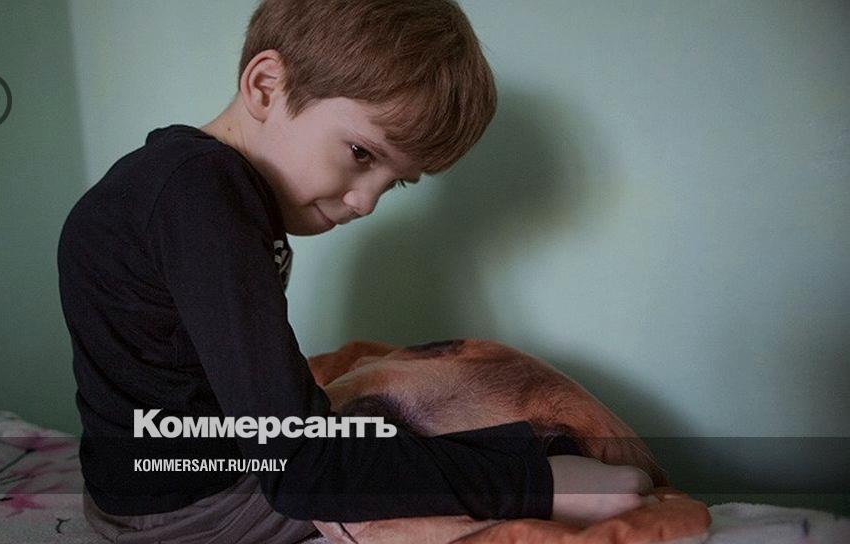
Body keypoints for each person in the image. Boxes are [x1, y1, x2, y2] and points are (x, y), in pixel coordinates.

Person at [57, 1, 653, 542]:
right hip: (190, 504)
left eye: (394, 184)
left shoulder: (185, 185)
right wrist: (539, 483)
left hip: (152, 485)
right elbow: (301, 470)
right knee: (456, 390)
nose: (366, 203)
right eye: (361, 154)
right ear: (266, 86)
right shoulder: (201, 194)